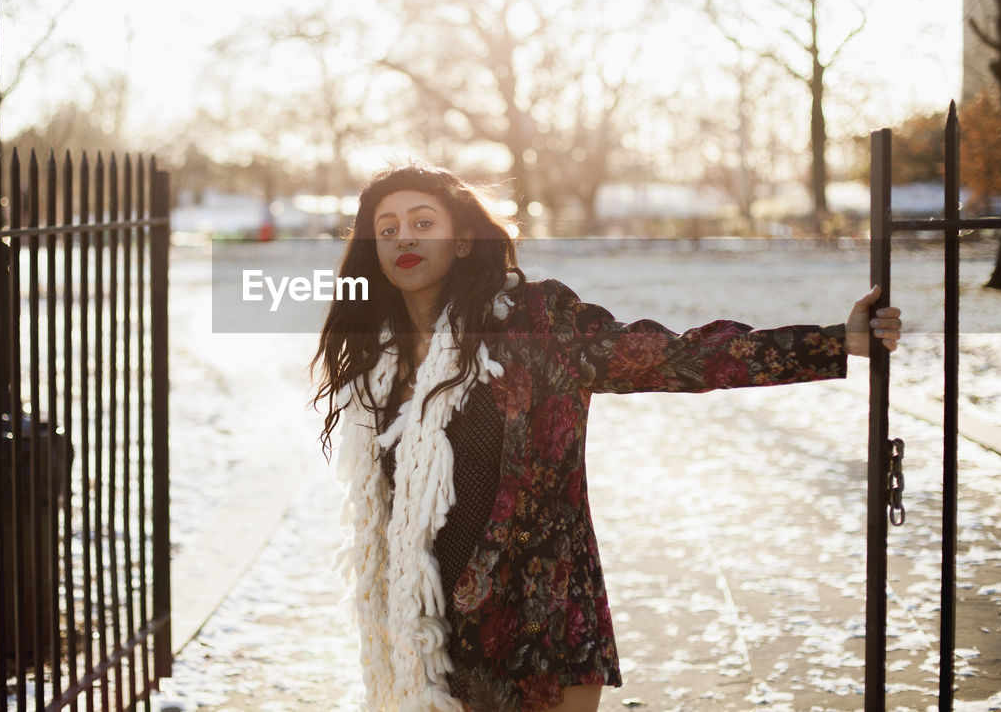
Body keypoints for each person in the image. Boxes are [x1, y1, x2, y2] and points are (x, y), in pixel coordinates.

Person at [311, 164, 902, 712]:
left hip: (534, 620)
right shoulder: (375, 360)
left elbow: (673, 356)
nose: (404, 238)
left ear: (464, 240)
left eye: (422, 223)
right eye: (387, 229)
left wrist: (832, 342)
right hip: (426, 633)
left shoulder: (536, 319)